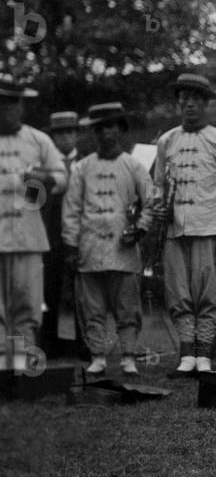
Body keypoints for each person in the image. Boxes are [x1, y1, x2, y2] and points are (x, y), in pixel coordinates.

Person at [62, 103, 152, 377]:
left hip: (122, 249)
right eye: (99, 128)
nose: (104, 133)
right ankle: (98, 356)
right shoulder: (82, 168)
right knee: (93, 309)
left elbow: (152, 202)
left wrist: (139, 229)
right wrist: (71, 245)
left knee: (127, 308)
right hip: (90, 249)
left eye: (110, 126)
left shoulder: (134, 166)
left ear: (120, 129)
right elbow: (72, 209)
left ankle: (128, 357)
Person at [152, 73, 216, 376]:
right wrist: (158, 208)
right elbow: (157, 184)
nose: (189, 104)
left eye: (196, 99)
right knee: (179, 290)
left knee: (207, 292)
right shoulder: (167, 140)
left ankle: (205, 355)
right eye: (183, 99)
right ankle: (186, 355)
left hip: (208, 226)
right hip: (174, 229)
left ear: (205, 104)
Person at [0, 74, 67, 372]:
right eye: (2, 104)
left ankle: (21, 368)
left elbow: (63, 177)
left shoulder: (39, 140)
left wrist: (44, 178)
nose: (7, 110)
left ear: (21, 106)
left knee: (27, 303)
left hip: (29, 235)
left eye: (13, 104)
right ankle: (3, 368)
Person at [40, 110, 82, 358]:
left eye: (69, 132)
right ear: (52, 138)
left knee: (82, 293)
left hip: (82, 236)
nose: (65, 139)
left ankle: (81, 344)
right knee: (50, 289)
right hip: (50, 238)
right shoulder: (42, 168)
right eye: (59, 134)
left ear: (77, 134)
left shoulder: (88, 164)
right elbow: (29, 204)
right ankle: (51, 345)